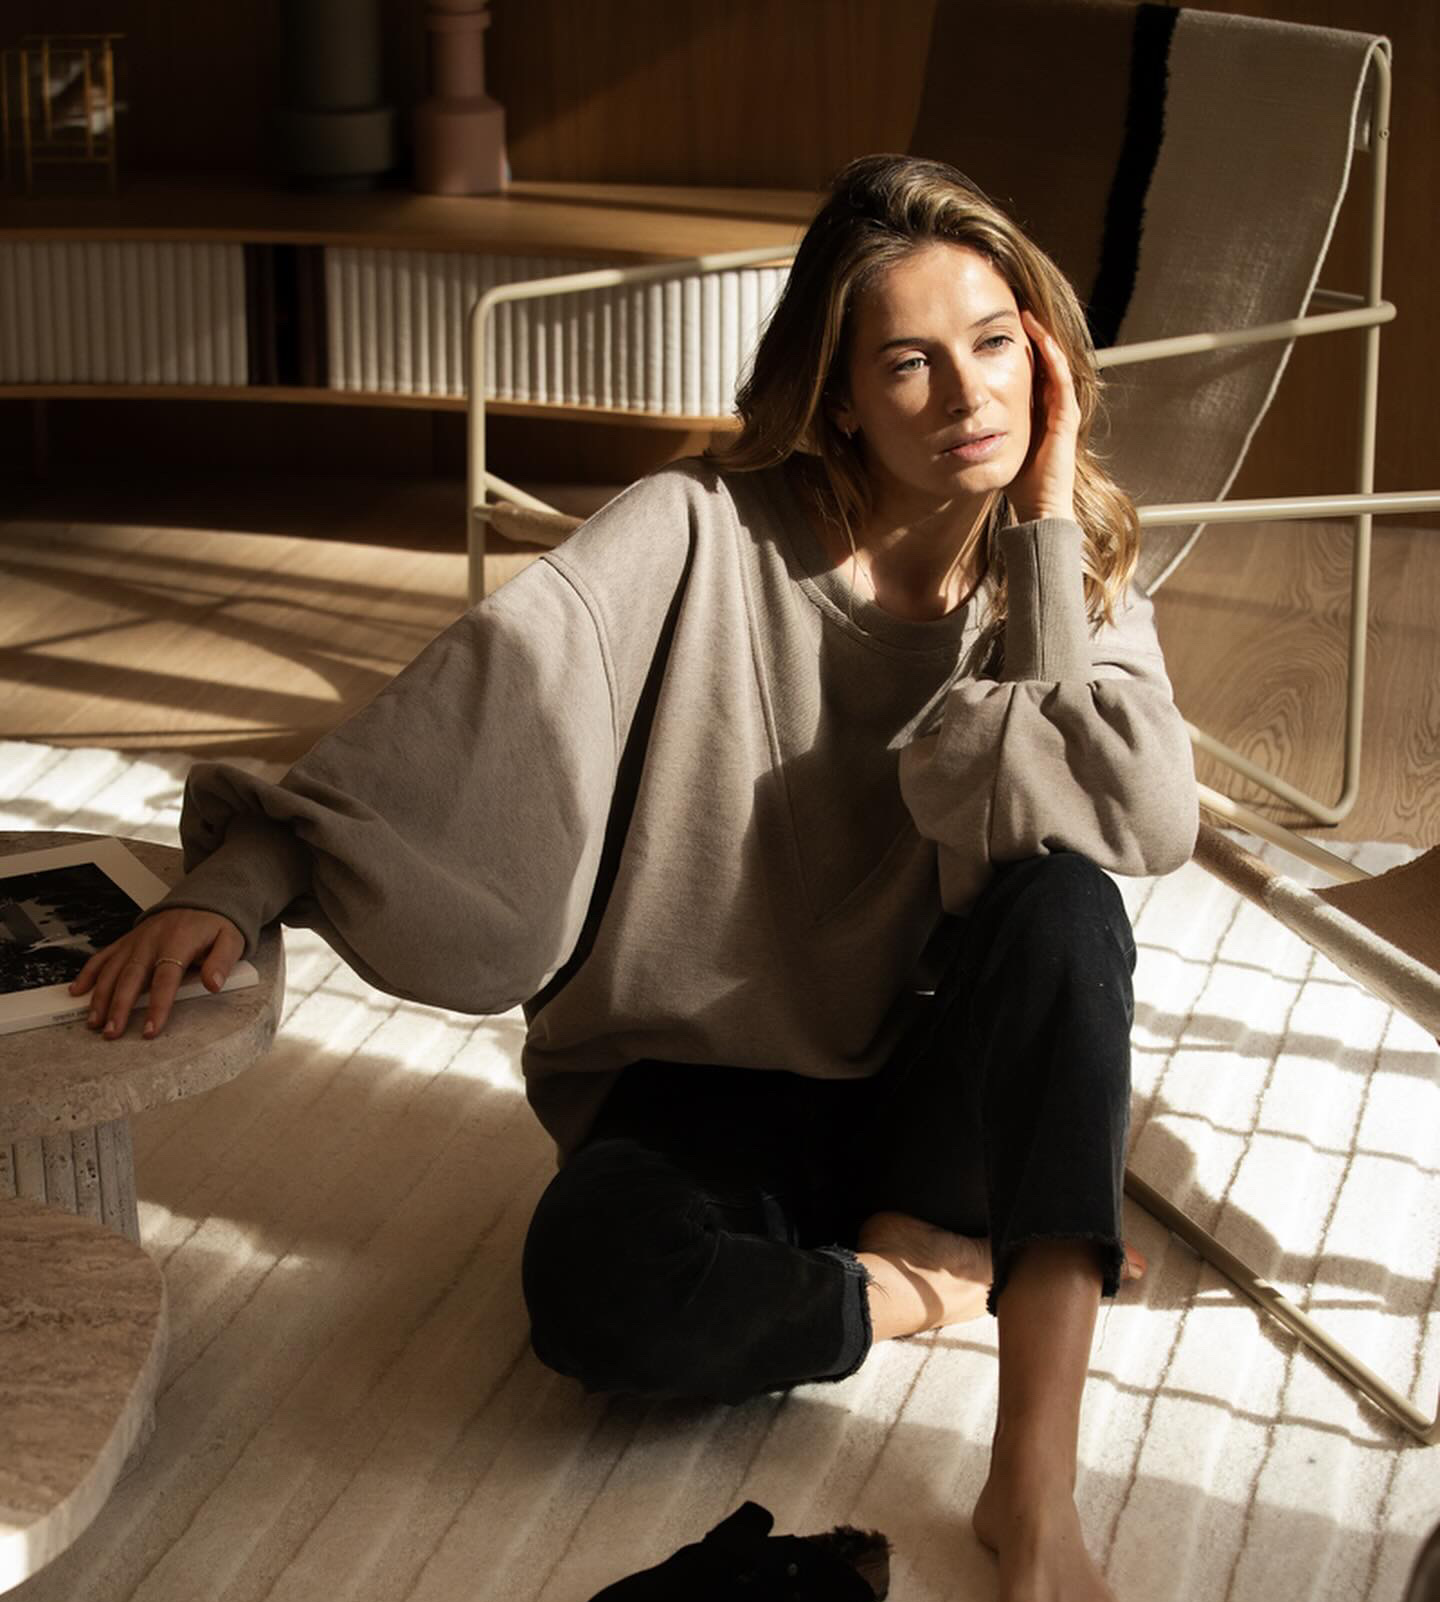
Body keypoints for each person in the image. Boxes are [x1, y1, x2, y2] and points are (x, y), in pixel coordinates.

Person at [70, 154, 1198, 1602]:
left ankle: (1032, 1490)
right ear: (839, 391)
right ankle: (921, 1279)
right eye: (908, 363)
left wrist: (1040, 541)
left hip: (938, 1084)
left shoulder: (1075, 560)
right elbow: (475, 699)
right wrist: (240, 875)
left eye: (994, 345)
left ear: (1042, 353)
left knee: (1068, 905)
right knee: (592, 1294)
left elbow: (1139, 816)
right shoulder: (699, 527)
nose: (970, 398)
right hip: (706, 1081)